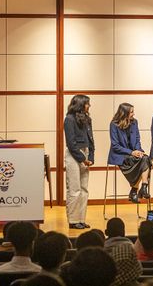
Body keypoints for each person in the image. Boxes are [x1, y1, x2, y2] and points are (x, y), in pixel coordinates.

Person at [108, 102, 151, 203]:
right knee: (143, 163)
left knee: (145, 158)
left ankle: (143, 187)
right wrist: (131, 152)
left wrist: (138, 151)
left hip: (133, 153)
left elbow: (137, 139)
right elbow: (115, 145)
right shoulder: (114, 124)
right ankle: (135, 190)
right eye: (131, 112)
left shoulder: (134, 122)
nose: (133, 114)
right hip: (120, 155)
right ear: (124, 113)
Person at [64, 94, 94, 229]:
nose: (89, 106)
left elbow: (91, 139)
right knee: (74, 188)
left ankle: (81, 219)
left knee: (84, 189)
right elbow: (71, 143)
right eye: (87, 103)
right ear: (80, 104)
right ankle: (73, 220)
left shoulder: (87, 119)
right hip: (73, 154)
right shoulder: (69, 119)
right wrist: (83, 159)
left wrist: (91, 157)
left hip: (85, 153)